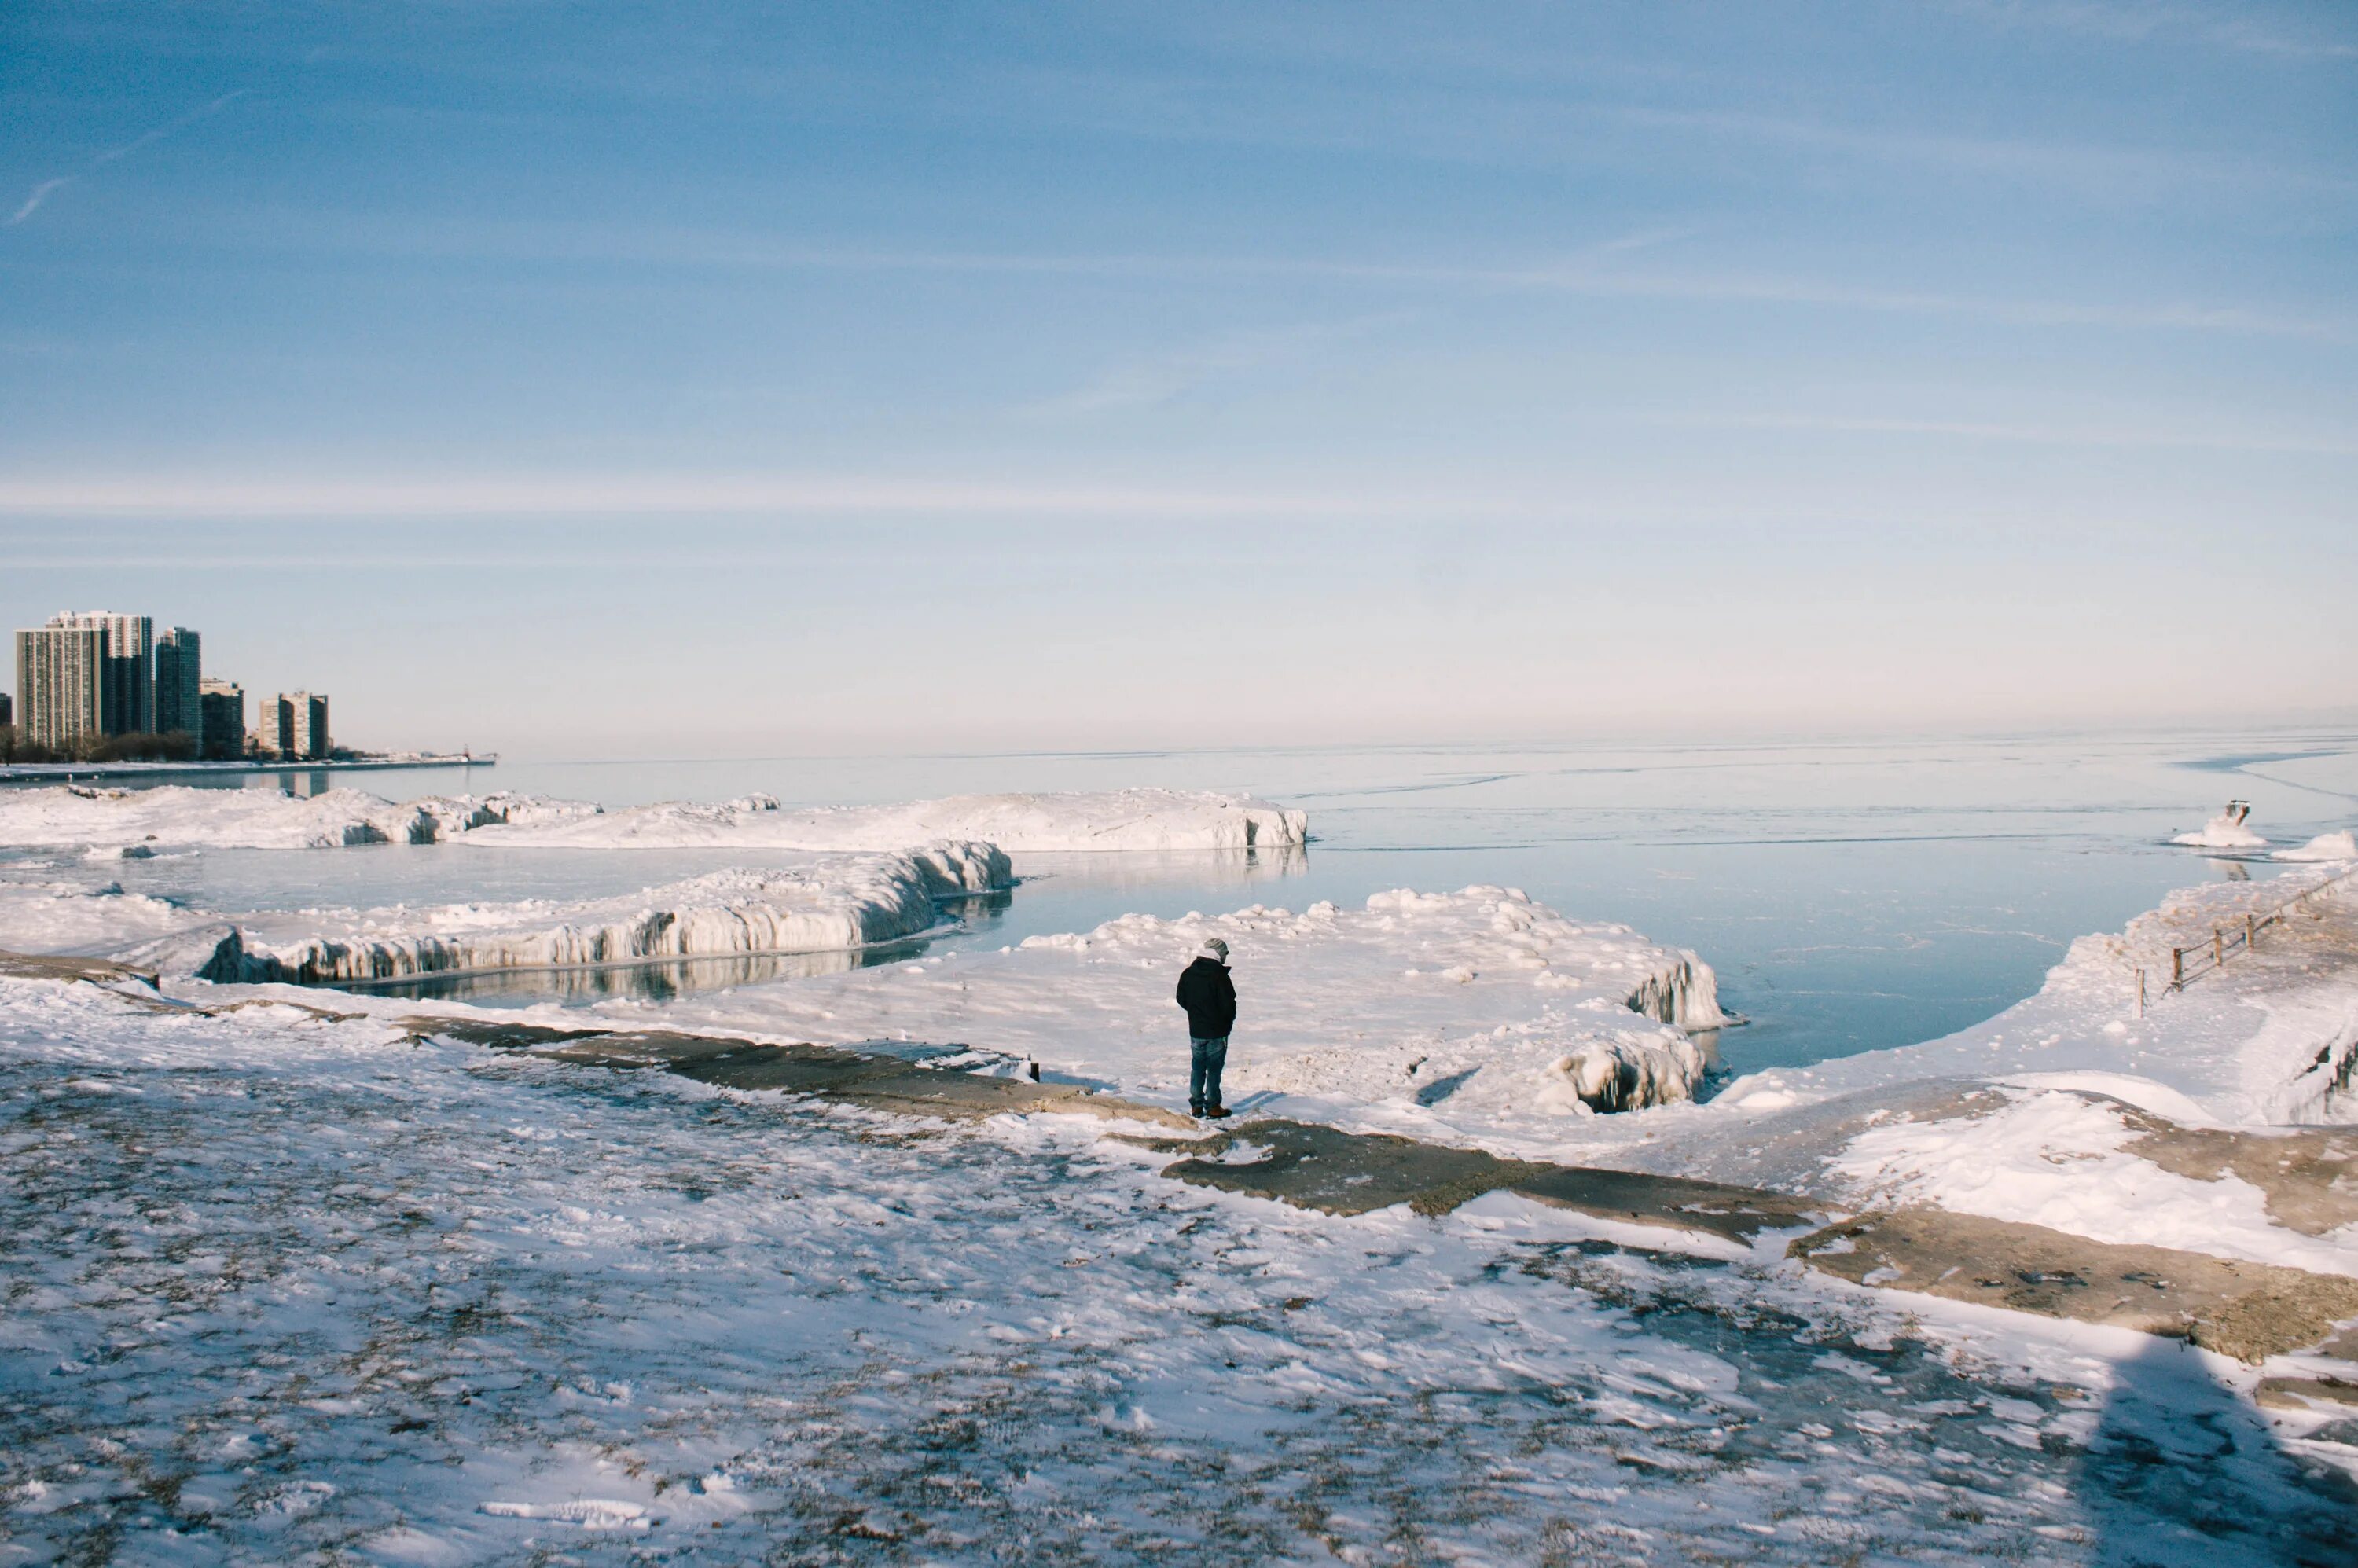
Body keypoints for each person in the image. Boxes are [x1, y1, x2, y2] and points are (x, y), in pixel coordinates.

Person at [1174, 937, 1236, 1118]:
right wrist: (1227, 1021)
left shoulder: (1188, 973)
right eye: (1224, 953)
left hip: (1196, 1030)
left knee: (1198, 1066)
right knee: (1214, 1069)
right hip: (1217, 1031)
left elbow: (1181, 998)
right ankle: (1213, 1106)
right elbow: (1228, 1004)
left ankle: (1196, 1105)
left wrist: (1196, 1013)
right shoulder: (1219, 976)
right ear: (1218, 953)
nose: (1225, 956)